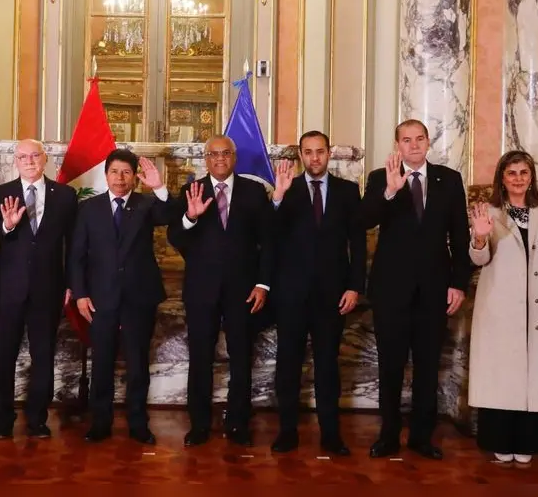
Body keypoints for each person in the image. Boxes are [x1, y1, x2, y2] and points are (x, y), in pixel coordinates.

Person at [360, 119, 471, 460]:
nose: (413, 145)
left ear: (428, 142)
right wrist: (391, 191)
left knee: (427, 367)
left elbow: (461, 236)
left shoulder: (449, 180)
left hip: (434, 290)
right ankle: (389, 434)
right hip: (391, 291)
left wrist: (458, 284)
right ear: (397, 145)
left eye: (419, 139)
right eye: (406, 140)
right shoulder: (381, 177)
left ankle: (422, 437)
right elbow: (363, 220)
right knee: (390, 367)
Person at [166, 135, 272, 447]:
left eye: (226, 153)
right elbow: (176, 238)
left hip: (244, 290)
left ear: (234, 157)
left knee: (241, 357)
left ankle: (238, 422)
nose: (220, 158)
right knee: (200, 357)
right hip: (201, 291)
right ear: (205, 158)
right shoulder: (191, 191)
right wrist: (190, 217)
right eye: (214, 154)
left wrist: (263, 283)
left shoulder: (254, 191)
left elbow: (269, 242)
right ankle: (199, 424)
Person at [269, 131, 366, 455]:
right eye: (308, 152)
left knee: (327, 365)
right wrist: (278, 199)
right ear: (300, 154)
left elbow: (359, 243)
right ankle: (287, 431)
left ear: (329, 153)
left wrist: (355, 286)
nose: (314, 158)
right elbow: (268, 237)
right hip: (291, 295)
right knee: (288, 364)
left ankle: (331, 434)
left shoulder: (348, 191)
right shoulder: (287, 190)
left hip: (332, 295)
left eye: (320, 152)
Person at [468, 150, 538, 464]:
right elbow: (478, 259)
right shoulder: (490, 212)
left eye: (523, 173)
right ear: (502, 177)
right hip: (500, 307)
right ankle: (501, 439)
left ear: (531, 177)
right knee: (503, 374)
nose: (518, 179)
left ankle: (529, 442)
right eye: (511, 173)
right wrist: (480, 238)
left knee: (535, 373)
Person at [70, 149, 174, 445]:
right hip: (99, 299)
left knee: (137, 363)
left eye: (126, 172)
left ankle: (138, 424)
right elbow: (76, 256)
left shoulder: (146, 205)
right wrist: (80, 294)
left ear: (134, 177)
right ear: (106, 175)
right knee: (101, 362)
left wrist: (159, 186)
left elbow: (171, 214)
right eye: (114, 172)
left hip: (138, 297)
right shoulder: (89, 209)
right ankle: (100, 422)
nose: (120, 178)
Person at [0, 139, 77, 440]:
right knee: (3, 356)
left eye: (34, 155)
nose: (29, 160)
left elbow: (74, 245)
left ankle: (37, 419)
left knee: (43, 355)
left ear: (45, 158)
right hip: (8, 289)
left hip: (48, 288)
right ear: (15, 161)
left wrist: (72, 284)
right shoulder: (2, 193)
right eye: (22, 156)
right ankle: (2, 419)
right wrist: (8, 226)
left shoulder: (65, 195)